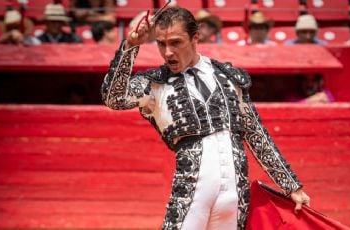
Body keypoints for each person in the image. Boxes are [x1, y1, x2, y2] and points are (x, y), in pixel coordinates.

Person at [101, 7, 309, 229]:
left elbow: (255, 133)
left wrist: (291, 187)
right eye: (161, 44)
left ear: (195, 37)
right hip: (190, 194)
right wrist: (131, 46)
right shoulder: (155, 84)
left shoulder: (227, 77)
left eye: (176, 42)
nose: (168, 52)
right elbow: (114, 98)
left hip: (234, 194)